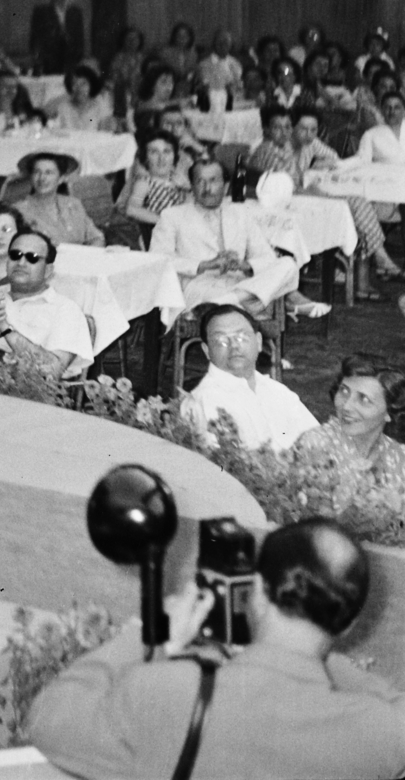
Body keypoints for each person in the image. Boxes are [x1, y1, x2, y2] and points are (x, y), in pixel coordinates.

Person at [29, 516, 405, 780]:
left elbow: (50, 719)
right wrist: (319, 657)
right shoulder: (378, 732)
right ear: (350, 623)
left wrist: (151, 636)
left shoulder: (166, 693)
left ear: (256, 592)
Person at [253, 105, 404, 283]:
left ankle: (373, 260)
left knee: (355, 203)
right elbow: (291, 188)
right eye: (278, 128)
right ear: (267, 130)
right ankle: (373, 262)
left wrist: (316, 172)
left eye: (287, 127)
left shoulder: (296, 146)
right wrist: (325, 196)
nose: (285, 132)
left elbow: (331, 159)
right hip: (291, 205)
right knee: (354, 203)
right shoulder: (274, 150)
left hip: (298, 198)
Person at [150, 159, 298, 317]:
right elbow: (159, 259)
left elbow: (266, 257)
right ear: (192, 187)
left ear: (226, 186)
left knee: (288, 264)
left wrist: (244, 265)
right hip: (201, 287)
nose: (207, 188)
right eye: (200, 181)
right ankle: (239, 305)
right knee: (253, 307)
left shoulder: (241, 214)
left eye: (213, 181)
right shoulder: (172, 216)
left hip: (241, 284)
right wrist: (205, 265)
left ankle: (228, 302)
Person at [0, 231, 92, 376]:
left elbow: (52, 370)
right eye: (15, 255)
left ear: (48, 270)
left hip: (28, 396)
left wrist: (4, 328)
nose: (21, 263)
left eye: (32, 258)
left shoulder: (65, 310)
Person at [179, 303, 318, 451]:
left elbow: (317, 438)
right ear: (207, 351)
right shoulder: (205, 400)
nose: (234, 346)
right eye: (221, 341)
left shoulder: (278, 391)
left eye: (241, 337)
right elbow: (222, 466)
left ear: (258, 342)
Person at [295, 354, 405, 492]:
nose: (346, 406)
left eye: (364, 399)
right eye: (344, 391)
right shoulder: (315, 445)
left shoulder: (399, 458)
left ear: (389, 411)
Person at [12, 151, 106, 247]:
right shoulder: (20, 211)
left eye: (49, 173)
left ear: (61, 178)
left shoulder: (73, 204)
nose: (42, 178)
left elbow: (97, 237)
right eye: (37, 172)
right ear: (31, 177)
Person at [117, 130, 191, 229]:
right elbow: (132, 209)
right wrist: (167, 222)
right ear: (146, 158)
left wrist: (188, 189)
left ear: (174, 156)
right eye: (154, 152)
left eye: (167, 152)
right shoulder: (144, 183)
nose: (161, 158)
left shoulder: (180, 180)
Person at [28, 0, 85, 76]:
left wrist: (78, 59)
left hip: (71, 62)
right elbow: (35, 38)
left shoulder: (75, 12)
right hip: (49, 63)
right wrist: (37, 60)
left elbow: (79, 39)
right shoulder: (41, 12)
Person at [49, 64, 114, 133]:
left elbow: (105, 136)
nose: (79, 88)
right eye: (74, 83)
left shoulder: (100, 107)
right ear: (70, 86)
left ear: (91, 85)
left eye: (83, 84)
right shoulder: (63, 107)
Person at [106, 26, 147, 122]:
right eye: (129, 38)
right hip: (123, 94)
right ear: (123, 40)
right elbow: (114, 77)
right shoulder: (118, 58)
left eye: (135, 38)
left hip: (141, 93)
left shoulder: (144, 58)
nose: (132, 41)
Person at [197, 28, 244, 98]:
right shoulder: (204, 65)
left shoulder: (235, 63)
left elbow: (238, 85)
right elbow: (206, 87)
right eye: (219, 42)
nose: (222, 45)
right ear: (213, 43)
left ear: (231, 44)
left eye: (226, 42)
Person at [157, 20, 199, 88]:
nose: (182, 39)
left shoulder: (193, 54)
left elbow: (193, 72)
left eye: (185, 36)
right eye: (179, 36)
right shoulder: (165, 53)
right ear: (174, 37)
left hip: (187, 86)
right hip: (169, 86)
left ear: (190, 38)